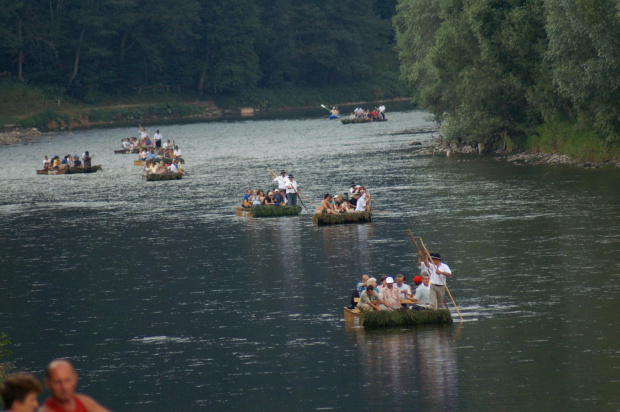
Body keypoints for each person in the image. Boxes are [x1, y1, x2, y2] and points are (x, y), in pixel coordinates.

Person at [41, 359, 110, 412]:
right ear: (47, 383)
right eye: (57, 382)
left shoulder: (84, 402)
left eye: (67, 380)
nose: (64, 388)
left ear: (75, 379)